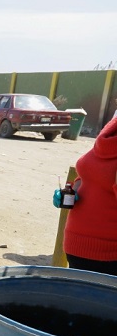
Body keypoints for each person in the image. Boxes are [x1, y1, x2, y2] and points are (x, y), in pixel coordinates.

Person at [53, 116, 117, 276]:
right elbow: (90, 171)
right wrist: (72, 190)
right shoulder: (110, 131)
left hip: (107, 254)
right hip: (78, 248)